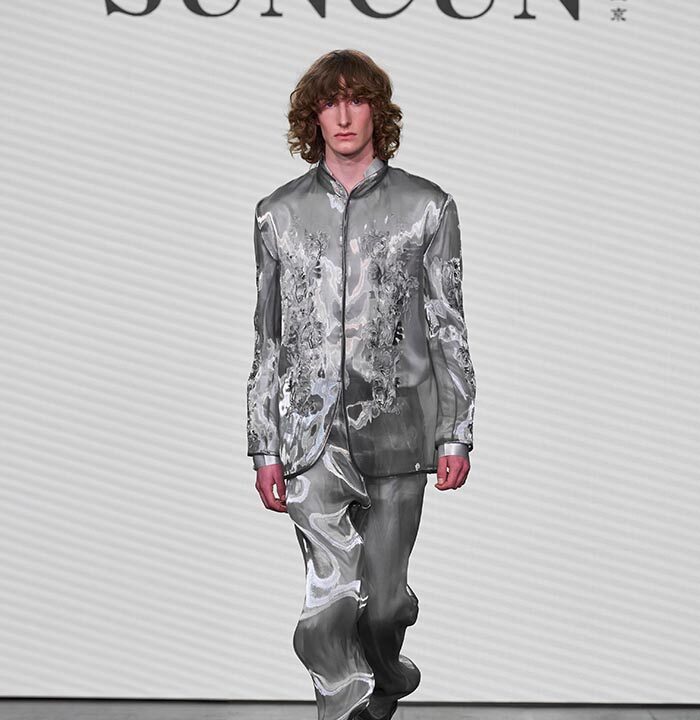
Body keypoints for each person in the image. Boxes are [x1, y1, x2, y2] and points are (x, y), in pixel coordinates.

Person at [246, 49, 477, 720]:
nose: (343, 115)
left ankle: (386, 669)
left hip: (399, 430)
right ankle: (345, 709)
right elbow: (268, 337)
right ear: (313, 116)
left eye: (357, 100)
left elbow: (448, 326)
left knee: (382, 604)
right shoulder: (277, 214)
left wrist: (455, 431)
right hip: (308, 435)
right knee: (327, 607)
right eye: (330, 102)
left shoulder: (427, 207)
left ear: (378, 111)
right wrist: (264, 444)